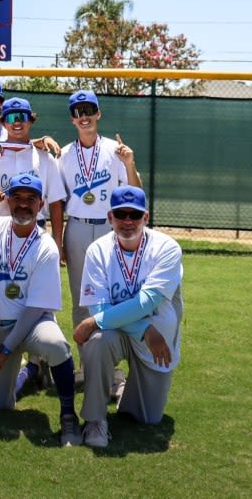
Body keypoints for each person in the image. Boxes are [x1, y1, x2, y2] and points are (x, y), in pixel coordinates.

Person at [73, 186, 183, 448]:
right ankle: (95, 420)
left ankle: (122, 389)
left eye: (134, 215)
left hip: (157, 341)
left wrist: (93, 321)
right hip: (141, 333)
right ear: (110, 218)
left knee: (147, 418)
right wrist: (145, 328)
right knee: (98, 340)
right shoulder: (97, 250)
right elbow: (98, 309)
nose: (127, 221)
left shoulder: (167, 248)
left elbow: (149, 301)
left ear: (146, 218)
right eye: (121, 214)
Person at [0, 173, 82, 446]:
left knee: (56, 345)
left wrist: (5, 351)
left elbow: (35, 308)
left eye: (31, 199)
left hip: (32, 324)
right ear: (8, 201)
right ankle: (29, 373)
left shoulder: (47, 247)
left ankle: (68, 417)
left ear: (41, 204)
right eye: (17, 198)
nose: (23, 205)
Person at [59, 89, 142, 395]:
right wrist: (59, 239)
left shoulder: (115, 150)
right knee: (82, 298)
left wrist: (130, 163)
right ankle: (88, 366)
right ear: (72, 118)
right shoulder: (64, 154)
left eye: (89, 110)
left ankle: (115, 372)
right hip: (78, 227)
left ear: (98, 114)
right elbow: (58, 200)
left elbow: (136, 192)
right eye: (78, 112)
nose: (84, 116)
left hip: (111, 231)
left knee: (114, 298)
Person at [0, 97, 66, 246]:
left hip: (37, 226)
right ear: (3, 123)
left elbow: (55, 202)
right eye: (11, 117)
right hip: (0, 226)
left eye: (22, 117)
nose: (17, 122)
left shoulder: (44, 157)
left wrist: (58, 241)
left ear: (31, 121)